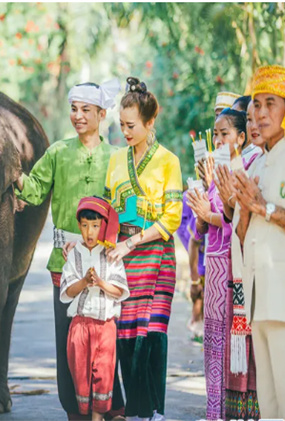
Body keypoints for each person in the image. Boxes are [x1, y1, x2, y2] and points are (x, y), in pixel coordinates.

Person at [13, 79, 121, 420]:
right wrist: (12, 172)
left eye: (85, 110)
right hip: (65, 263)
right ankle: (74, 408)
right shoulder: (58, 152)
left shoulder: (117, 158)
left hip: (106, 264)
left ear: (102, 114)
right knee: (70, 339)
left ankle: (113, 405)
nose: (77, 116)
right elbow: (32, 191)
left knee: (107, 338)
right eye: (73, 109)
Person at [104, 77, 182, 421]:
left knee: (152, 331)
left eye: (132, 125)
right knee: (126, 332)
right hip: (123, 255)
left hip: (157, 255)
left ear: (150, 123)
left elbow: (172, 218)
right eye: (121, 125)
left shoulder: (169, 161)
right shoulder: (116, 160)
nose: (125, 131)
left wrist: (131, 241)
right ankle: (136, 408)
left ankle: (155, 409)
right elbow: (109, 210)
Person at [233, 64, 285, 419]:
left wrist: (265, 207)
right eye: (256, 104)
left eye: (270, 102)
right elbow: (243, 238)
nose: (259, 112)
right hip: (260, 300)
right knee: (269, 406)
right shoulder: (256, 164)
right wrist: (242, 207)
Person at [187, 107, 255, 420]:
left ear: (241, 137)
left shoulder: (244, 171)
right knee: (213, 343)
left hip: (232, 268)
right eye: (215, 134)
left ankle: (231, 412)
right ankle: (214, 411)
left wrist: (207, 213)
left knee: (231, 343)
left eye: (224, 133)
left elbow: (233, 223)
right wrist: (201, 198)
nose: (217, 140)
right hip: (212, 266)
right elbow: (200, 230)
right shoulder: (216, 175)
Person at [60, 197, 129, 421]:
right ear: (79, 225)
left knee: (104, 374)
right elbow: (68, 292)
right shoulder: (73, 255)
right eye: (85, 226)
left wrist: (99, 282)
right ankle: (88, 415)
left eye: (96, 226)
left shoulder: (111, 254)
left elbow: (119, 290)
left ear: (103, 226)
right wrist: (83, 282)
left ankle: (97, 418)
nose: (90, 232)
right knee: (81, 375)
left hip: (105, 326)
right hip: (80, 326)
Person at [177, 192, 205, 341]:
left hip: (198, 241)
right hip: (195, 240)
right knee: (200, 279)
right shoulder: (200, 196)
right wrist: (194, 281)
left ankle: (196, 320)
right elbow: (194, 242)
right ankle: (196, 320)